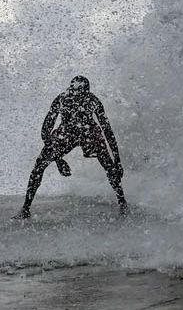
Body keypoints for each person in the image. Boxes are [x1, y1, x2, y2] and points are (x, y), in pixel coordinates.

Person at [19, 75, 127, 220]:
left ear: (86, 92)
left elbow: (108, 131)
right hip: (67, 133)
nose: (76, 96)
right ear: (69, 89)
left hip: (88, 131)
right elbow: (45, 131)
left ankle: (122, 203)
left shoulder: (92, 101)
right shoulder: (62, 99)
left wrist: (117, 161)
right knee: (39, 166)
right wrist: (58, 160)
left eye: (80, 93)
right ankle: (26, 208)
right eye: (73, 91)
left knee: (109, 165)